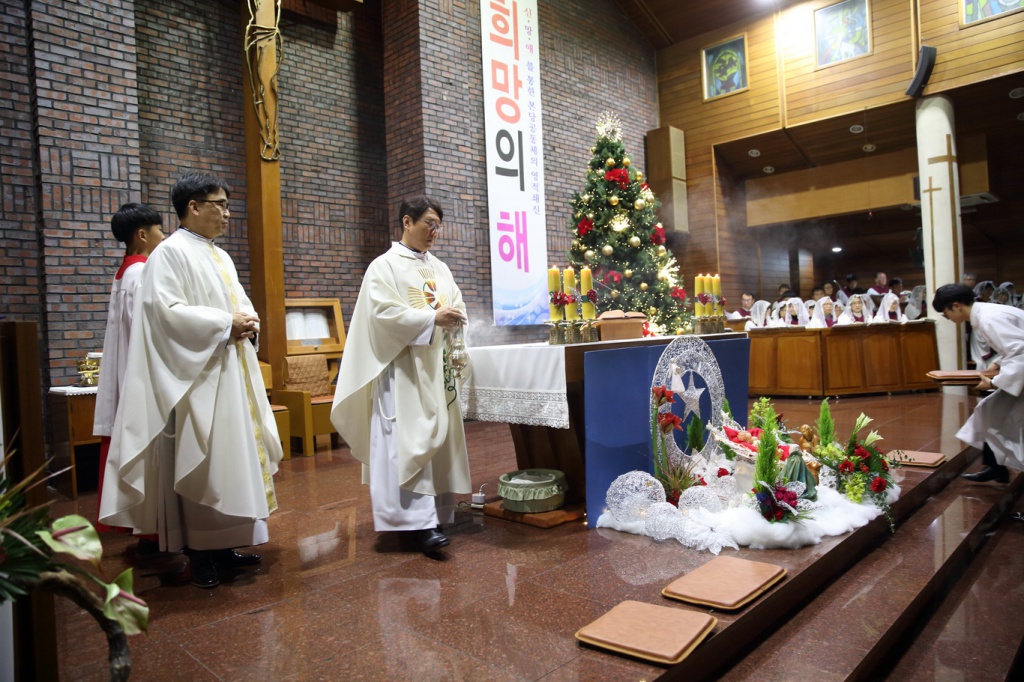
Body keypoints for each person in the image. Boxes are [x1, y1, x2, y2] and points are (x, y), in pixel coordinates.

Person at [99, 171, 283, 588]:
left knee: (232, 460)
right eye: (219, 204)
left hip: (229, 372)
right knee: (206, 462)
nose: (227, 213)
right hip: (196, 381)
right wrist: (224, 323)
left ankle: (227, 544)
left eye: (227, 205)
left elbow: (237, 301)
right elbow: (165, 313)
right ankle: (201, 552)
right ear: (193, 207)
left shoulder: (220, 255)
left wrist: (247, 321)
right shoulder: (170, 253)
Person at [331, 196, 471, 553]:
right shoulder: (384, 266)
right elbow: (380, 316)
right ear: (407, 222)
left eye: (438, 226)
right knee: (405, 441)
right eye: (428, 224)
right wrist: (430, 319)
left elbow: (455, 304)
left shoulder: (440, 268)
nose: (434, 233)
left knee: (434, 439)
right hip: (401, 369)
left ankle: (435, 514)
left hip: (434, 368)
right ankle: (412, 523)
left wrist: (454, 318)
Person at [93, 203, 164, 547]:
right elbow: (147, 329)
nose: (162, 237)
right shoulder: (141, 273)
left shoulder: (124, 272)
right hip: (142, 377)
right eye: (158, 230)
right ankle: (150, 530)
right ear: (142, 234)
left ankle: (145, 532)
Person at [933, 284, 1024, 483]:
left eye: (945, 313)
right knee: (988, 410)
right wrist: (997, 363)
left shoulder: (989, 318)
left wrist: (993, 383)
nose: (947, 318)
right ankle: (996, 468)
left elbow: (1020, 352)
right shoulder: (986, 314)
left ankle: (997, 467)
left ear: (956, 306)